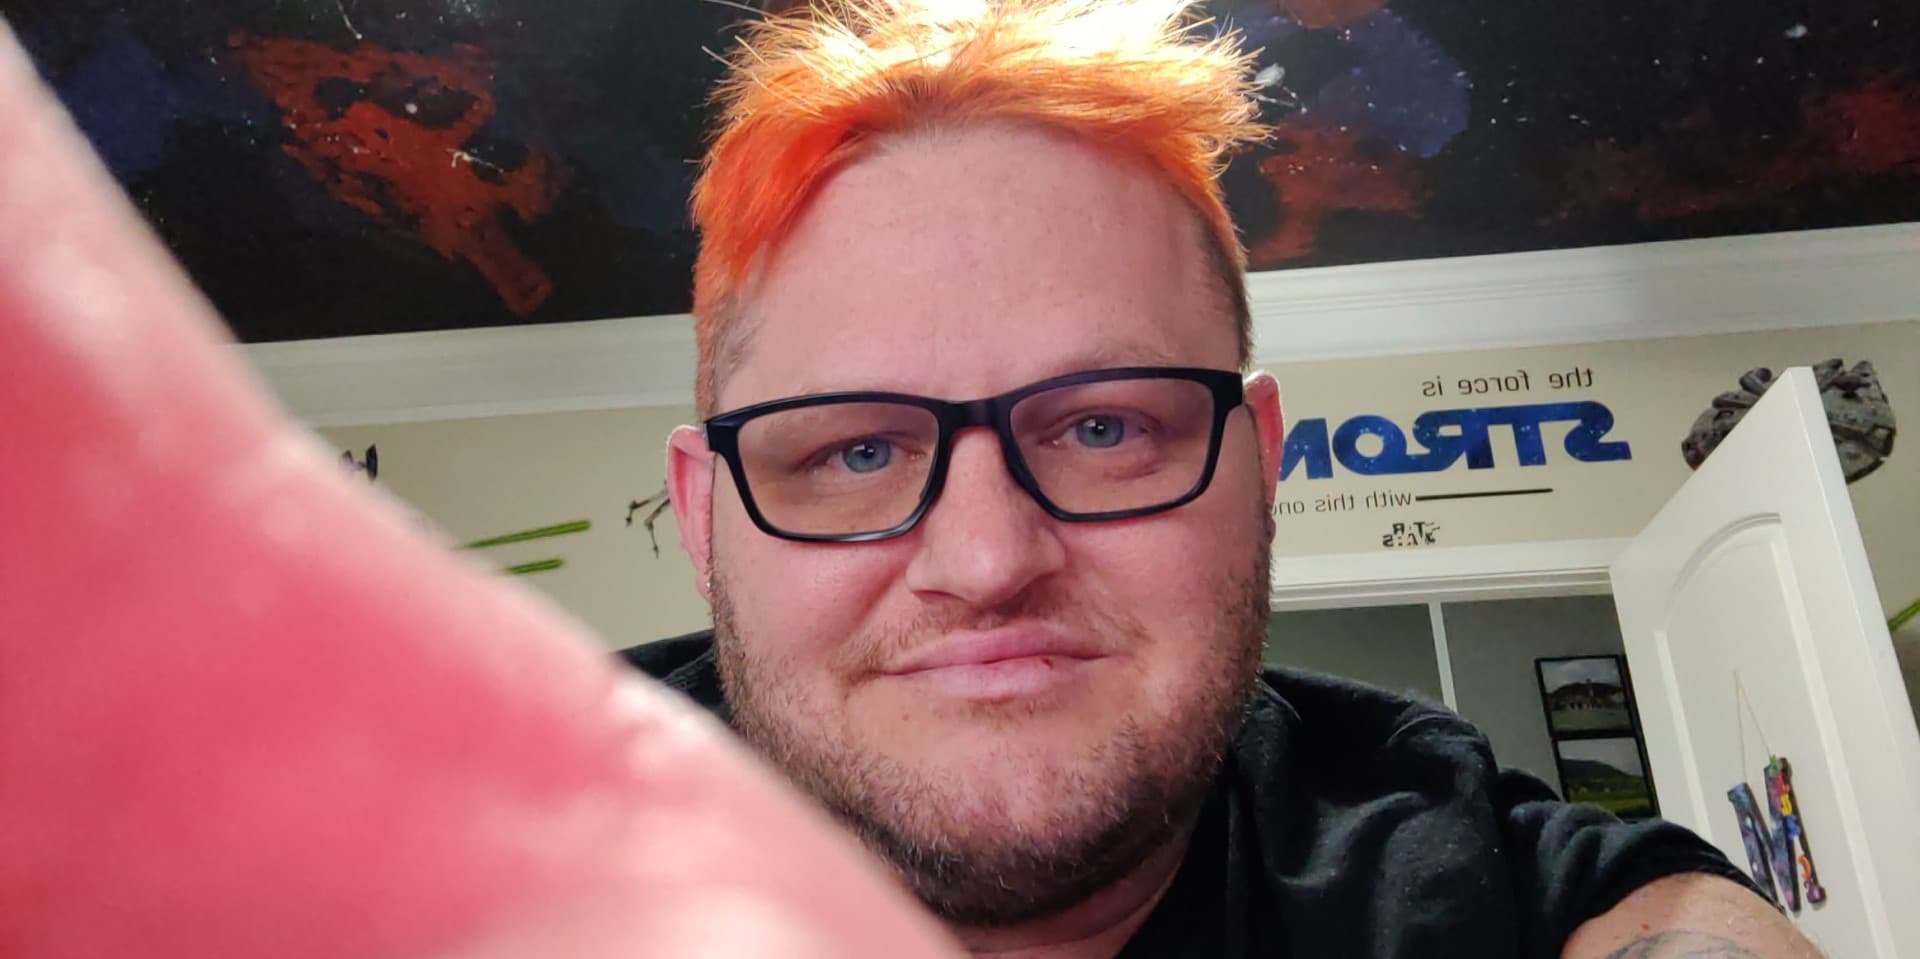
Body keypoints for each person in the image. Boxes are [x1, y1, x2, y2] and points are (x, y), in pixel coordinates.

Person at [622, 1, 1822, 957]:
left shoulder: (1490, 890)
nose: (987, 562)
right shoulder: (508, 850)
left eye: (1103, 426)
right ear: (703, 511)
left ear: (1261, 460)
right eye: (856, 451)